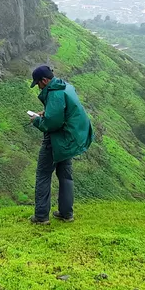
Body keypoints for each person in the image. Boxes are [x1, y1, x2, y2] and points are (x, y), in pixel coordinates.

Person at [28, 65, 94, 225]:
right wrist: (47, 112)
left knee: (43, 175)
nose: (38, 87)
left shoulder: (54, 94)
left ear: (44, 80)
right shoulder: (65, 86)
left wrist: (37, 120)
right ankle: (66, 213)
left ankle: (41, 216)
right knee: (65, 176)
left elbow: (51, 124)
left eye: (38, 83)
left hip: (57, 140)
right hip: (68, 139)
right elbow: (61, 112)